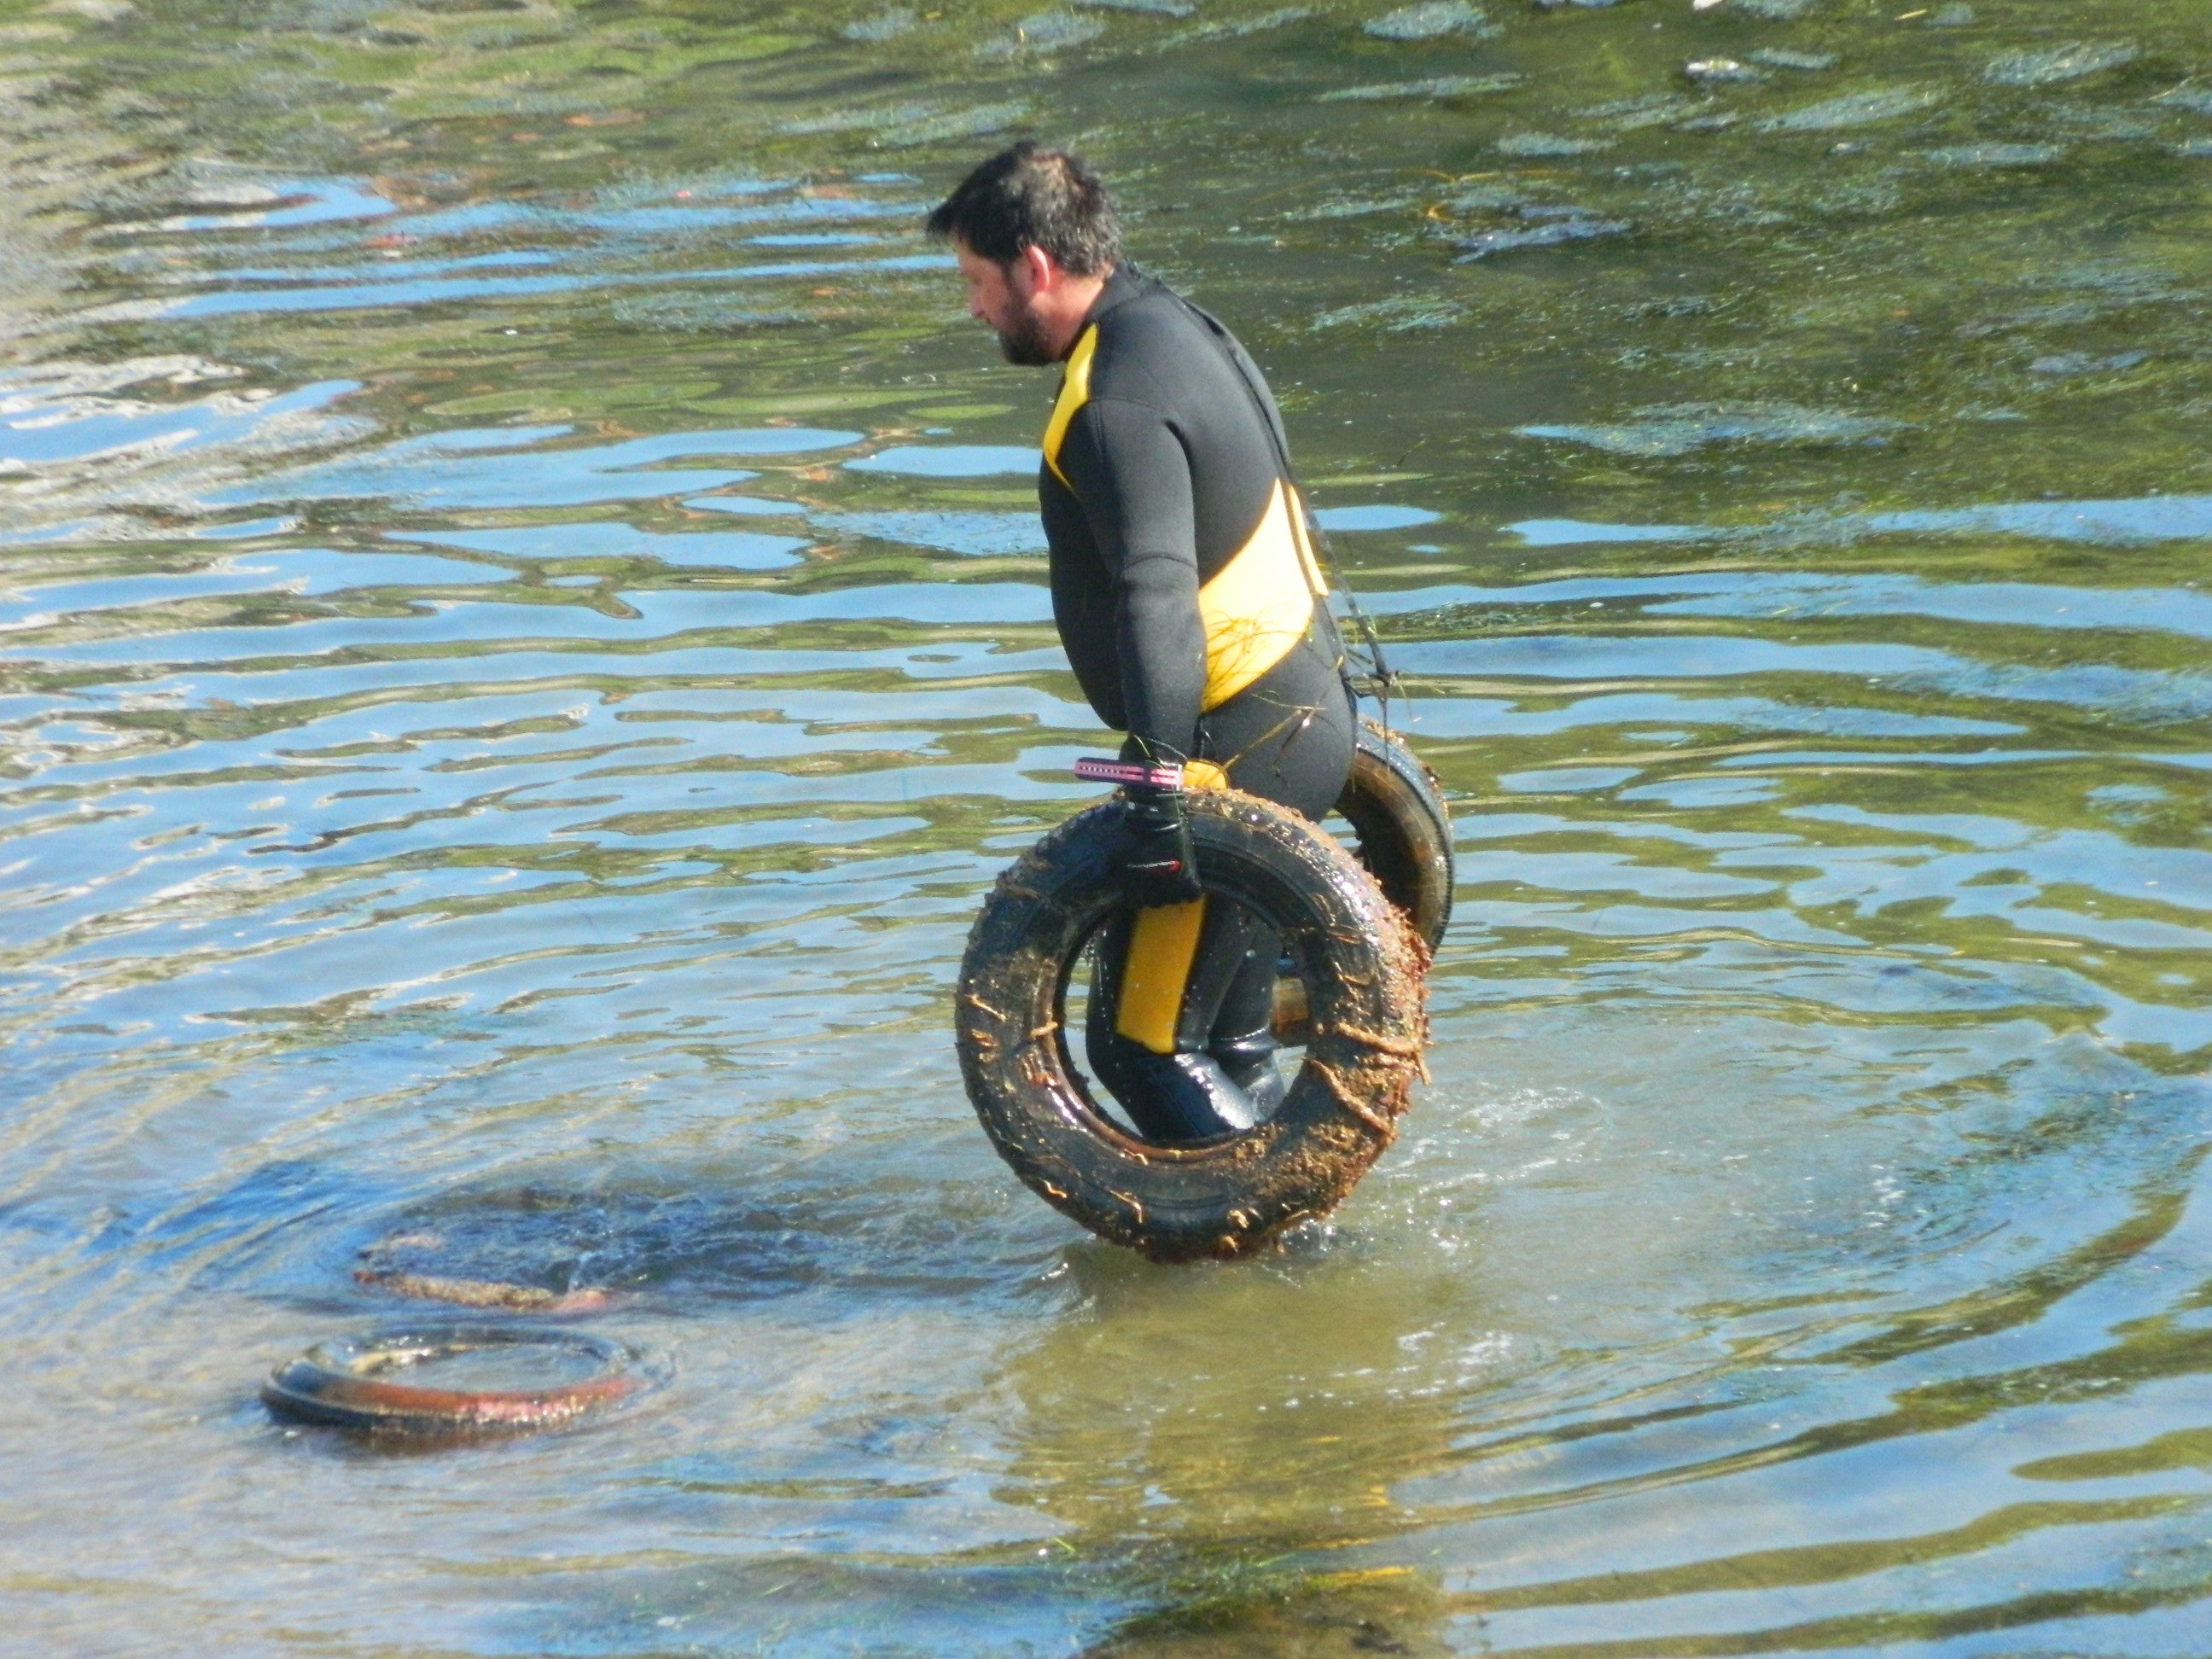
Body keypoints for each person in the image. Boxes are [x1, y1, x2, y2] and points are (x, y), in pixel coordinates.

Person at [928, 143, 1357, 1144]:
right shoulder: (1179, 328)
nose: (973, 308)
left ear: (1034, 267)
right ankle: (1282, 1264)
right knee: (1226, 1040)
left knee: (1144, 1046)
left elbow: (1156, 597)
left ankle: (1295, 1269)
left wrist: (1161, 793)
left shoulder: (1114, 400)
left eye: (976, 282)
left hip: (1230, 754)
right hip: (1300, 710)